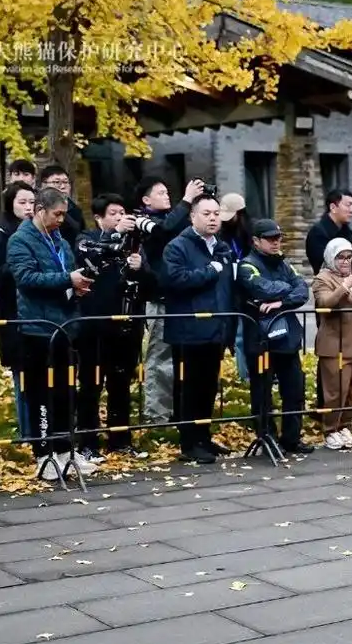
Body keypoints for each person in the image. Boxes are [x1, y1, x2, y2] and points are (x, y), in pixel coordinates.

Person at [7, 186, 96, 481]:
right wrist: (66, 279)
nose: (61, 219)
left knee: (64, 392)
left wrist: (77, 285)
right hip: (37, 328)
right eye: (57, 214)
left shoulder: (59, 239)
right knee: (40, 395)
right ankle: (43, 454)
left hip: (64, 325)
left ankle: (64, 450)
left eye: (64, 214)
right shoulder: (20, 240)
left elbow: (67, 272)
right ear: (40, 210)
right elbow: (26, 278)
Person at [160, 195, 240, 463]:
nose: (213, 218)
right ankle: (189, 443)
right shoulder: (177, 247)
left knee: (208, 387)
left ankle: (204, 437)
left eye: (216, 213)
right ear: (192, 216)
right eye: (206, 213)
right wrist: (210, 270)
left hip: (216, 328)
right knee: (190, 388)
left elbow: (228, 288)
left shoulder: (223, 248)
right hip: (189, 330)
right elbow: (175, 280)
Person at [74, 193, 150, 459]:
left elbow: (150, 283)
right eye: (114, 213)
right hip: (95, 325)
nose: (120, 218)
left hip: (126, 324)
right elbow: (88, 259)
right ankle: (87, 443)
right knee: (91, 386)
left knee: (121, 384)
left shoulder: (134, 244)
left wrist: (140, 268)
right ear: (98, 217)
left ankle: (120, 440)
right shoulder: (87, 239)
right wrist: (115, 234)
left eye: (122, 213)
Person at [237, 218, 314, 456]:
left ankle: (291, 439)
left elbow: (302, 289)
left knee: (295, 390)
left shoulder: (284, 263)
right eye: (270, 239)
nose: (276, 243)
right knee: (262, 394)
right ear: (256, 241)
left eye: (278, 238)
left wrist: (282, 301)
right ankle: (266, 437)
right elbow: (261, 289)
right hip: (260, 339)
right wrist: (284, 289)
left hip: (286, 339)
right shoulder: (247, 265)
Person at [135, 175, 207, 423]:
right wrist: (187, 200)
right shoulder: (141, 219)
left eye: (169, 192)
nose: (167, 196)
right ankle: (156, 415)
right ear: (146, 199)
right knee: (159, 358)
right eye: (160, 192)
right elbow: (163, 232)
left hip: (180, 297)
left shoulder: (176, 218)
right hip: (158, 298)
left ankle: (180, 411)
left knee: (181, 359)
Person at [0, 180, 35, 439]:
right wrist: (18, 263)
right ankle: (27, 432)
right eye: (22, 202)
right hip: (13, 312)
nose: (28, 207)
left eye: (32, 202)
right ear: (10, 205)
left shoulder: (40, 233)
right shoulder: (0, 237)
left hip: (38, 310)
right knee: (21, 376)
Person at [312, 237, 352, 450]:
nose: (345, 262)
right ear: (331, 258)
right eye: (340, 257)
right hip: (336, 344)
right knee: (335, 391)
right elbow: (324, 304)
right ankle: (330, 429)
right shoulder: (323, 278)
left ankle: (345, 426)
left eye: (349, 257)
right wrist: (344, 286)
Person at [218, 193, 253, 382]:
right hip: (228, 293)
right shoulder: (221, 236)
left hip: (246, 293)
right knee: (232, 336)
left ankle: (246, 376)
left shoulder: (251, 236)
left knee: (243, 336)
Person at [305, 188, 352, 274]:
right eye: (348, 205)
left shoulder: (346, 231)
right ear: (333, 207)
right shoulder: (318, 233)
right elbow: (323, 265)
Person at [37, 165, 86, 249]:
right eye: (57, 182)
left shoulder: (75, 210)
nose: (63, 187)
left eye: (66, 182)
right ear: (43, 184)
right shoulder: (36, 208)